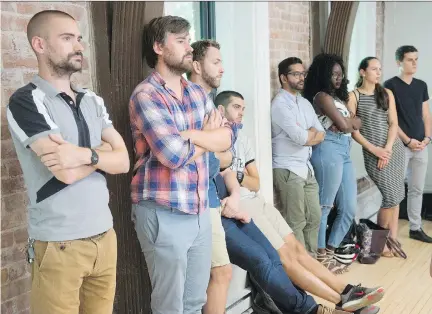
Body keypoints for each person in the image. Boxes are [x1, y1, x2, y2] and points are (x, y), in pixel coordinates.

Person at [216, 90, 384, 314]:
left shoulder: (242, 140)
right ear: (220, 110)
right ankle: (339, 301)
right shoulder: (214, 140)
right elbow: (229, 178)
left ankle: (347, 292)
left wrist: (236, 176)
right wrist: (239, 177)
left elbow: (255, 182)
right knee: (286, 257)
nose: (241, 113)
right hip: (242, 207)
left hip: (257, 200)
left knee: (299, 250)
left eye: (243, 109)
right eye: (236, 107)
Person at [6, 10, 130, 314]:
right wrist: (102, 155)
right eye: (66, 38)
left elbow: (125, 161)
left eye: (78, 38)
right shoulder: (27, 101)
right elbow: (64, 173)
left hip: (105, 238)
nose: (78, 46)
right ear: (40, 44)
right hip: (60, 245)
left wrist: (82, 154)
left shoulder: (92, 100)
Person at [129, 16, 234, 314]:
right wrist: (207, 138)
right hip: (164, 211)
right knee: (169, 306)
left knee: (194, 302)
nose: (189, 47)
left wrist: (190, 136)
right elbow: (172, 155)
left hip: (198, 208)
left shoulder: (197, 92)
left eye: (189, 40)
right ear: (159, 47)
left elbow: (226, 137)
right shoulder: (147, 95)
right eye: (181, 41)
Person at [188, 39, 237, 314]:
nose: (222, 68)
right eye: (215, 62)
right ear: (196, 65)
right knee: (220, 272)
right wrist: (212, 141)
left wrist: (213, 144)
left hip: (211, 197)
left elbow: (225, 155)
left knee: (220, 272)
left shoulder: (209, 105)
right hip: (197, 199)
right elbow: (198, 156)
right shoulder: (191, 103)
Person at [303, 53, 361, 273]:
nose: (338, 78)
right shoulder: (321, 97)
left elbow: (357, 121)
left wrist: (348, 122)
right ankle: (320, 254)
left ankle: (330, 248)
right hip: (328, 148)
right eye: (333, 74)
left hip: (344, 149)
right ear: (323, 75)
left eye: (340, 74)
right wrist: (348, 122)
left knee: (348, 207)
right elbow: (346, 125)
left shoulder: (338, 99)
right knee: (324, 205)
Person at [347, 57, 406, 258]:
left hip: (393, 150)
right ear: (363, 72)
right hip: (373, 154)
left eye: (380, 69)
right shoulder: (353, 96)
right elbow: (354, 132)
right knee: (389, 196)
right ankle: (378, 246)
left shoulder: (386, 93)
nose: (378, 72)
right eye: (374, 69)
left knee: (396, 195)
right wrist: (376, 151)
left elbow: (393, 124)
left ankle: (393, 241)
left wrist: (387, 149)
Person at [271, 57, 323, 257]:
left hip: (306, 167)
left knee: (314, 217)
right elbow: (301, 137)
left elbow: (321, 134)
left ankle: (313, 263)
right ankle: (302, 270)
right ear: (283, 78)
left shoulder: (304, 103)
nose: (302, 78)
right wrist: (309, 134)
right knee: (296, 221)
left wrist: (309, 135)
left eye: (303, 73)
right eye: (296, 74)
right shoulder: (279, 105)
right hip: (288, 169)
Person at [383, 45, 432, 243]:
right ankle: (387, 232)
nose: (414, 63)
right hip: (401, 145)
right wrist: (407, 140)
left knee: (417, 188)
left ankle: (415, 227)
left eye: (416, 59)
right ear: (399, 62)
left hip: (422, 145)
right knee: (394, 189)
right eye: (410, 59)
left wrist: (427, 139)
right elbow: (390, 119)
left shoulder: (421, 85)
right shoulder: (390, 85)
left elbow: (426, 114)